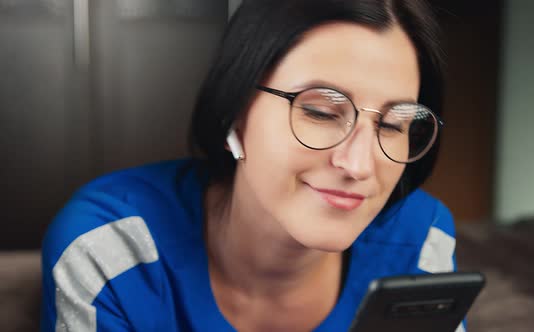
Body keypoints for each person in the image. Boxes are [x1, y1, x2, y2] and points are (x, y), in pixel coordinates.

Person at [41, 0, 462, 331]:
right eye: (320, 112)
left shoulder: (420, 240)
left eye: (394, 124)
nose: (359, 165)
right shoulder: (110, 250)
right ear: (236, 110)